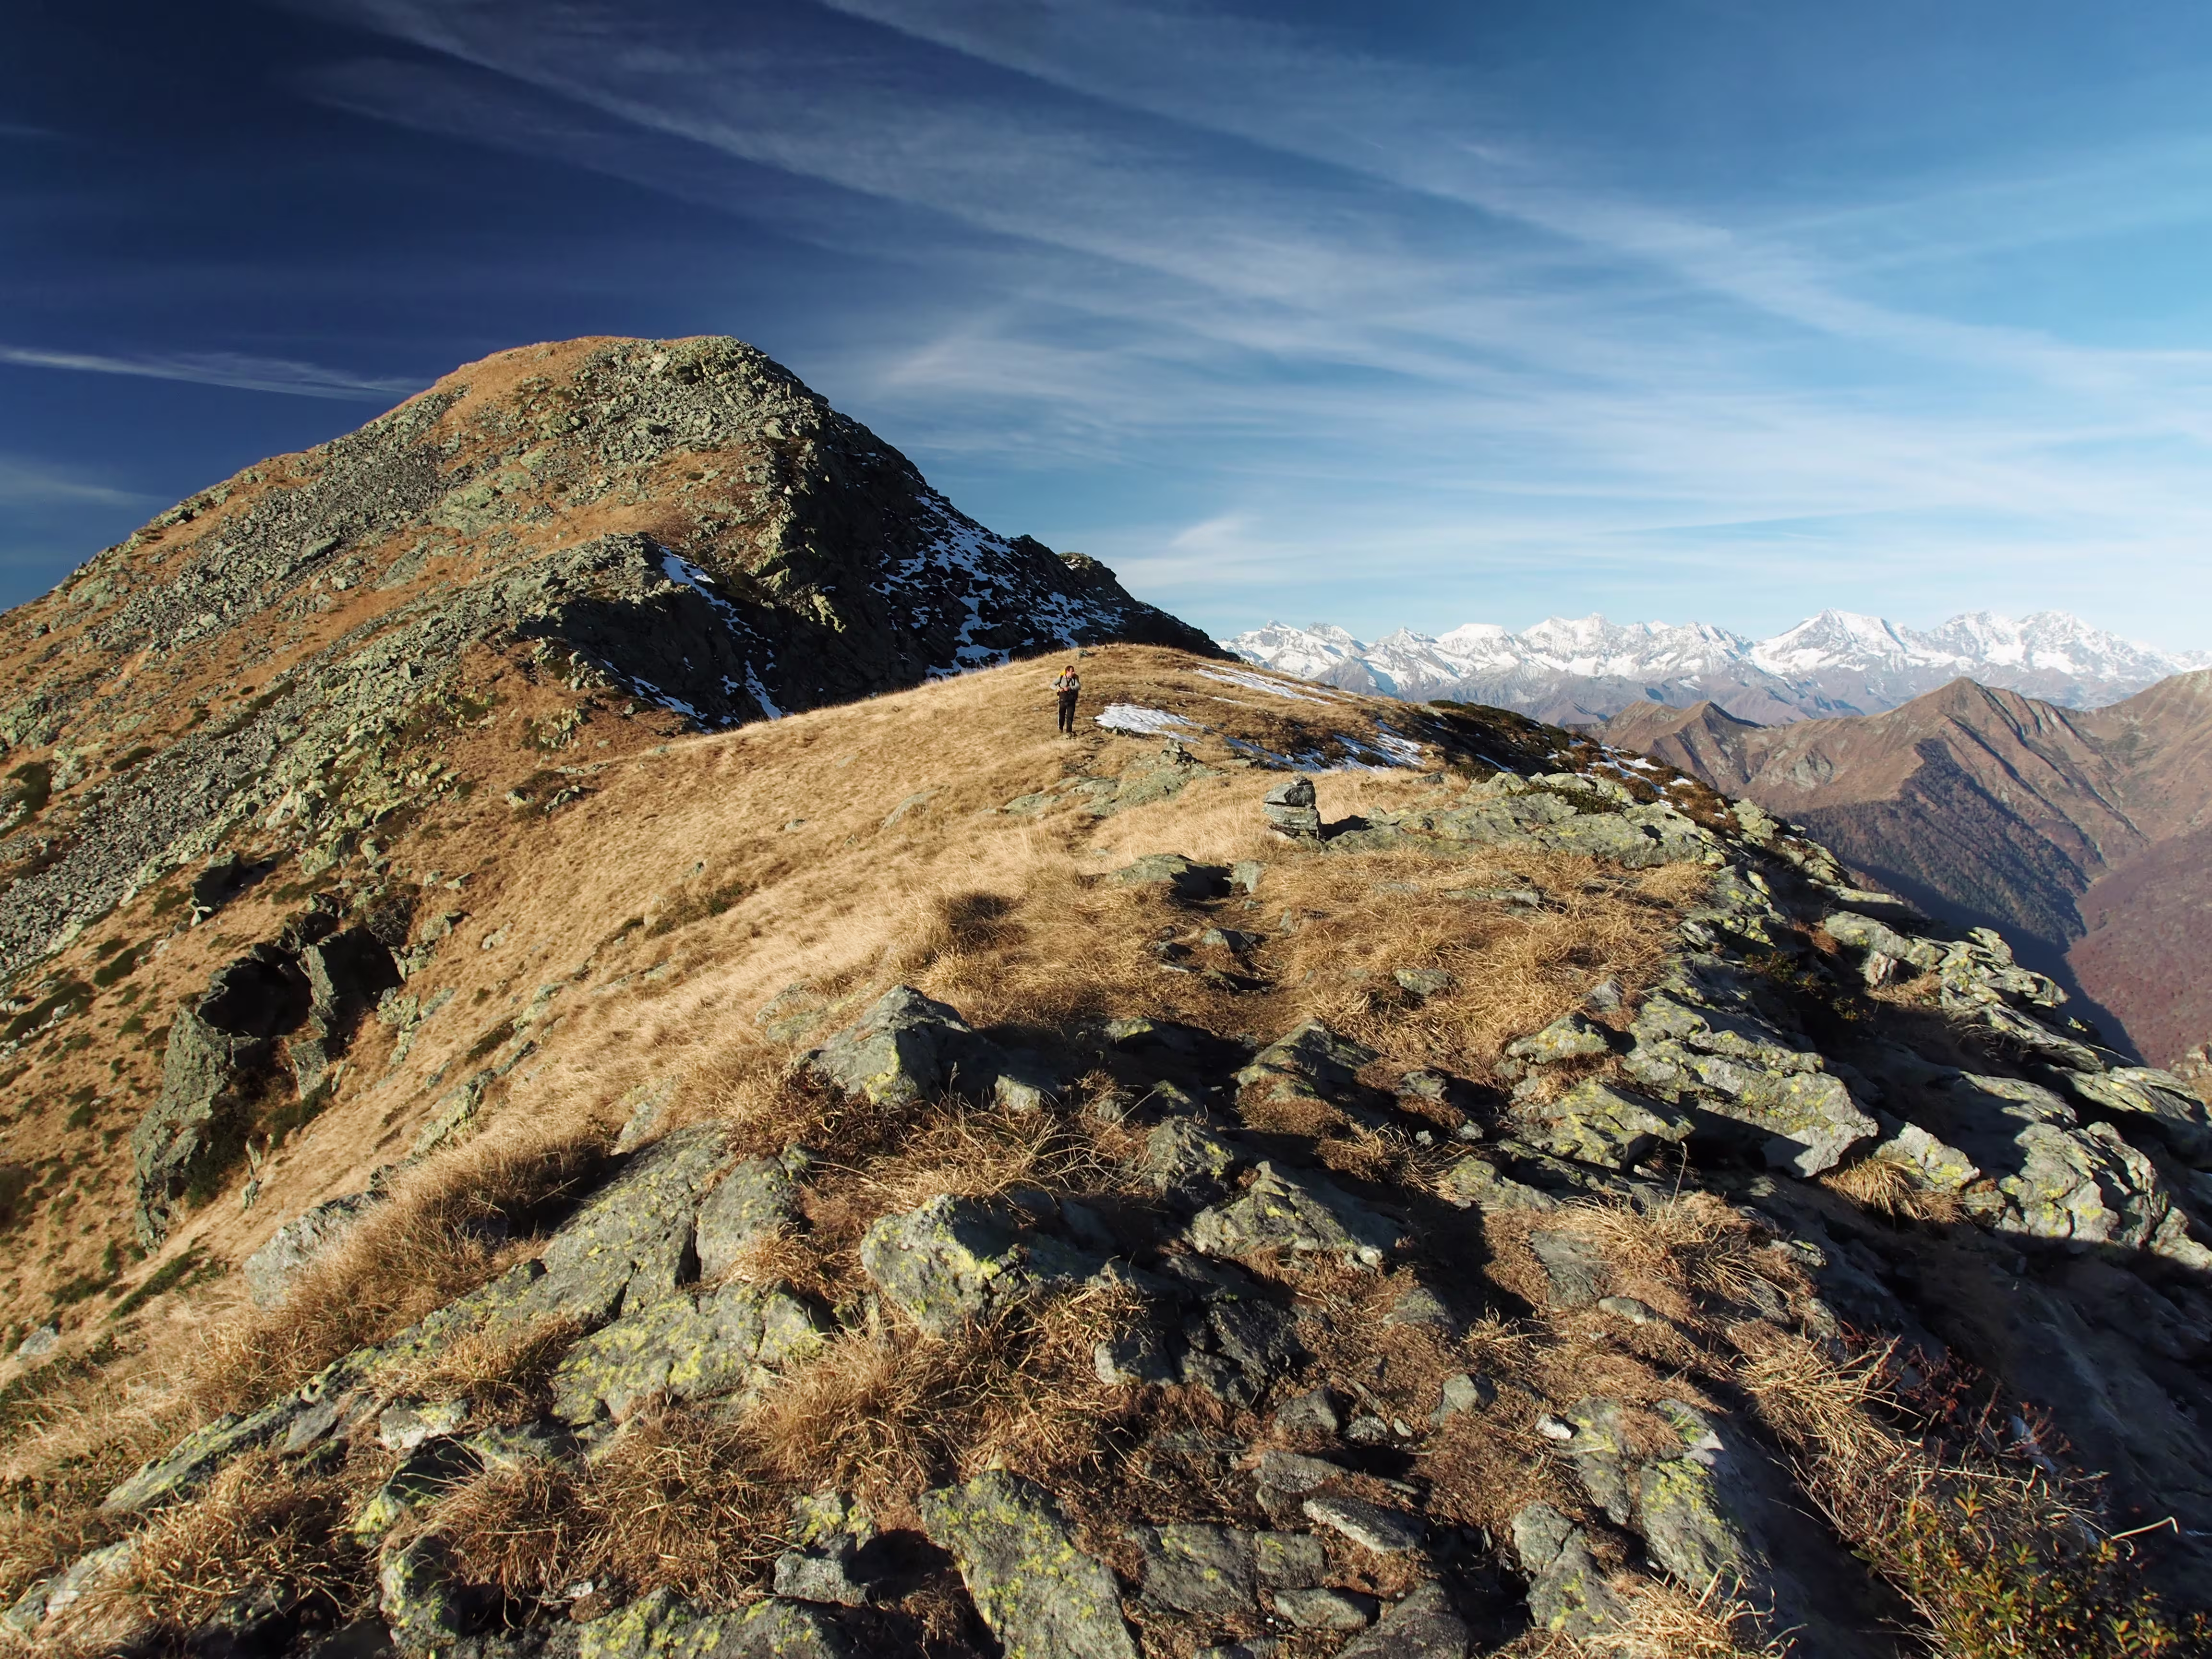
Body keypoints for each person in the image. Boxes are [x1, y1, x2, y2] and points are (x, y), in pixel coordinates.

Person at [1052, 664, 1081, 734]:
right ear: (1067, 672)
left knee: (1070, 717)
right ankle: (1061, 729)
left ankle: (1069, 732)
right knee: (1062, 715)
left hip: (1072, 700)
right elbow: (1052, 685)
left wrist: (1070, 688)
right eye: (1072, 671)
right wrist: (1059, 689)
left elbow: (1078, 686)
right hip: (1063, 701)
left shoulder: (1075, 678)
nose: (1074, 673)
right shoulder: (1061, 678)